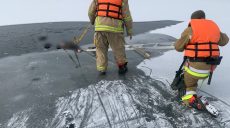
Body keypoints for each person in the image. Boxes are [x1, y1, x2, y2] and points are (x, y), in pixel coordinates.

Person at [174, 10, 229, 109]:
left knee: (188, 82)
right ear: (203, 18)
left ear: (193, 19)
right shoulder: (214, 28)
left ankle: (190, 97)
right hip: (210, 69)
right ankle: (196, 80)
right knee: (196, 71)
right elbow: (225, 41)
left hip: (195, 70)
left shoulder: (190, 30)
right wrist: (216, 33)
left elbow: (178, 47)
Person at [88, 0, 133, 75]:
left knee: (100, 48)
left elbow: (90, 12)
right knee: (118, 48)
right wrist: (129, 30)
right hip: (115, 28)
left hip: (100, 27)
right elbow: (127, 15)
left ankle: (101, 69)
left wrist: (92, 21)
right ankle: (122, 66)